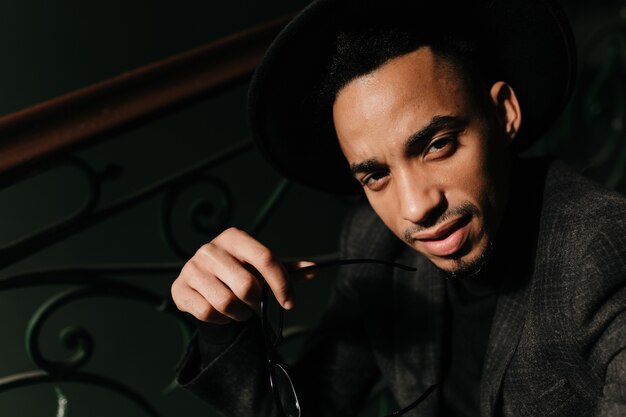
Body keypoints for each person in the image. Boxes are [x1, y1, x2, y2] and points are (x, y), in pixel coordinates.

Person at [171, 0, 626, 416]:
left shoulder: (602, 252)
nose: (414, 207)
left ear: (504, 113)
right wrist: (225, 324)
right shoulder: (375, 248)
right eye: (376, 175)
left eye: (438, 145)